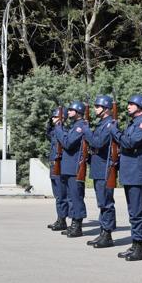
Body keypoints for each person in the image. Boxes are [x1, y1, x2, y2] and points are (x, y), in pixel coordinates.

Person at [110, 94, 142, 261]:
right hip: (130, 172)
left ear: (140, 106)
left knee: (137, 211)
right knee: (133, 211)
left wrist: (115, 132)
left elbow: (130, 143)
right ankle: (135, 244)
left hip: (137, 173)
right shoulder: (133, 123)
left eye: (131, 104)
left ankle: (139, 246)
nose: (128, 107)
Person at [81, 95, 117, 248]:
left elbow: (97, 142)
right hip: (98, 167)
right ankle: (103, 231)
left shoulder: (110, 125)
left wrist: (86, 130)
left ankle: (107, 234)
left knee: (106, 203)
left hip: (104, 168)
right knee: (101, 203)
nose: (95, 109)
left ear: (106, 109)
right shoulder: (102, 124)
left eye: (98, 106)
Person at [53, 101, 88, 238]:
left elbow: (68, 143)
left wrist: (59, 129)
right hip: (68, 167)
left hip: (75, 168)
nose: (69, 112)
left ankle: (77, 226)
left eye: (71, 110)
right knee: (70, 198)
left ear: (78, 112)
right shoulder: (74, 126)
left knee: (76, 197)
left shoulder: (80, 127)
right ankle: (73, 223)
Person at [46, 108, 69, 231]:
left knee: (61, 194)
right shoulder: (55, 131)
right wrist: (49, 124)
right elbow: (48, 134)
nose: (52, 119)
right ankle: (60, 218)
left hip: (59, 165)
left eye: (55, 117)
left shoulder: (63, 131)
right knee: (57, 194)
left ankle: (62, 219)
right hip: (53, 165)